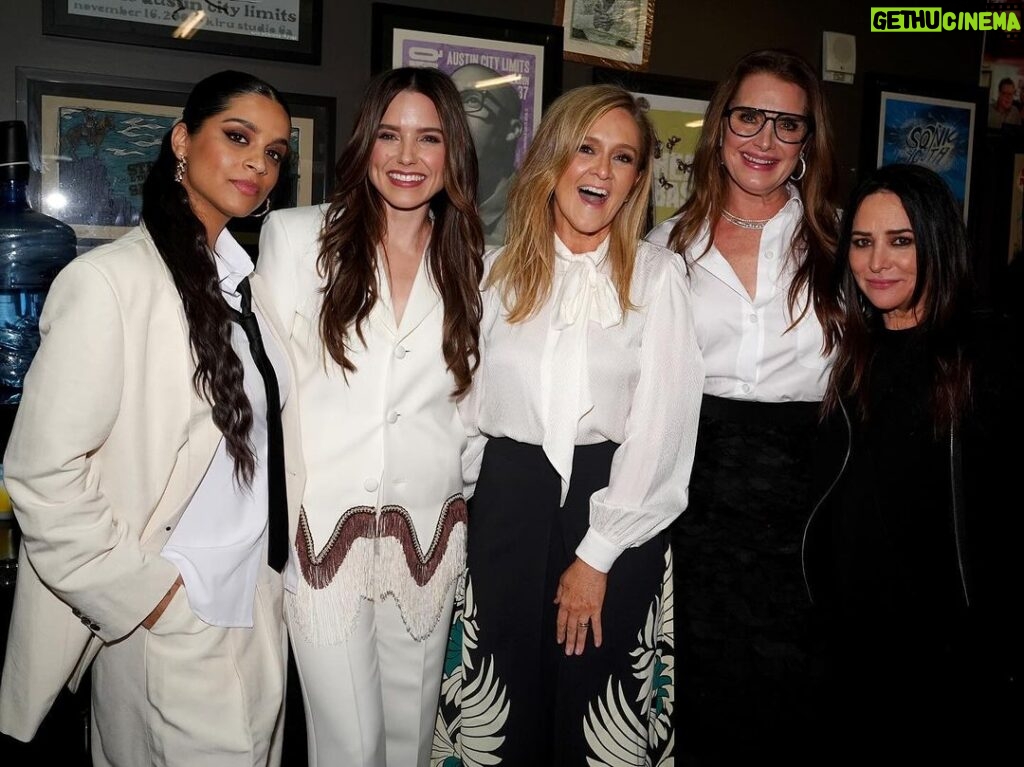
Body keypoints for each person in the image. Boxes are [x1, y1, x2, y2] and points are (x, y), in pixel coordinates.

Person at [0, 70, 301, 766]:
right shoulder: (109, 283)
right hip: (172, 617)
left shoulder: (248, 287)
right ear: (180, 141)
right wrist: (151, 595)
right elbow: (40, 471)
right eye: (238, 137)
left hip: (259, 606)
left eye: (276, 152)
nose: (260, 162)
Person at [433, 83, 703, 766]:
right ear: (553, 157)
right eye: (586, 149)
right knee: (504, 704)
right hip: (508, 506)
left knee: (596, 711)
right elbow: (464, 411)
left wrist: (598, 550)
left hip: (617, 506)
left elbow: (662, 429)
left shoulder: (658, 277)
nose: (600, 171)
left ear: (638, 179)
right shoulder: (492, 273)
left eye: (621, 158)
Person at [255, 66, 483, 767]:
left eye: (428, 138)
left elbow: (472, 411)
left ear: (453, 155)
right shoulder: (296, 238)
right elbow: (272, 391)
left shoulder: (479, 263)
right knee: (349, 746)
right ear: (365, 144)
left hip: (428, 541)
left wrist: (460, 497)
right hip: (325, 538)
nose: (407, 158)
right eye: (390, 135)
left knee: (411, 742)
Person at [645, 49, 841, 762]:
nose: (765, 140)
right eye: (750, 117)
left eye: (787, 125)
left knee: (800, 699)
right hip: (694, 500)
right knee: (701, 692)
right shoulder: (665, 248)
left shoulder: (842, 244)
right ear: (721, 128)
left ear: (807, 143)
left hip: (811, 505)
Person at [808, 163, 1022, 760]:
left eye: (901, 241)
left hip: (951, 663)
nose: (878, 262)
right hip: (854, 654)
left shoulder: (990, 354)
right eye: (862, 241)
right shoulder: (852, 357)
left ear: (936, 241)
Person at [450, 63, 523, 247]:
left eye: (472, 100)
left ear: (512, 129)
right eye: (449, 101)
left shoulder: (535, 218)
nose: (454, 113)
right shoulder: (427, 207)